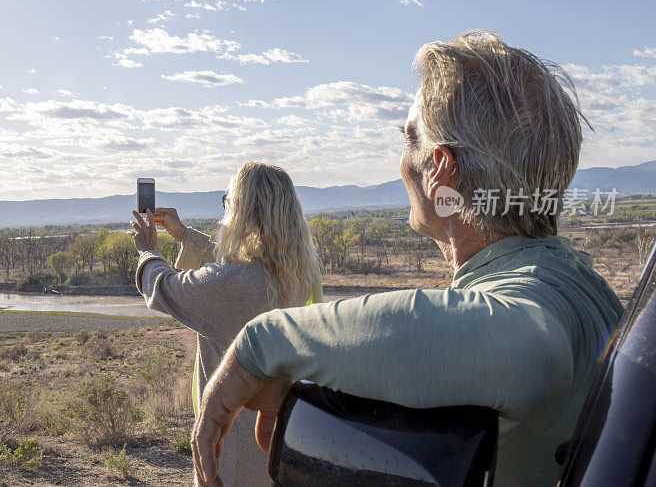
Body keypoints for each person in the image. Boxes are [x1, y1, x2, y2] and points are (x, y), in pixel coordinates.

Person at [191, 31, 625, 487]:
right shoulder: (578, 283)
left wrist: (262, 344)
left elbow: (525, 350)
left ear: (439, 170)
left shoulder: (533, 301)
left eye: (408, 139)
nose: (401, 162)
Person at [129, 161, 322, 487]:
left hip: (232, 437)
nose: (225, 209)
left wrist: (147, 251)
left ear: (245, 212)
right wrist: (184, 235)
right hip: (281, 429)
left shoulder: (238, 283)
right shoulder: (297, 270)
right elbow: (232, 273)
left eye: (228, 201)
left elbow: (165, 289)